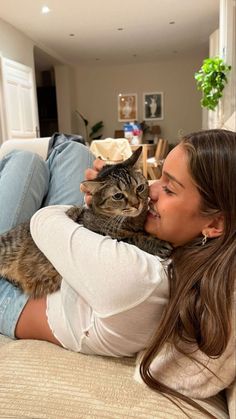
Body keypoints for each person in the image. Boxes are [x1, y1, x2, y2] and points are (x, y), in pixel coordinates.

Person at [0, 130, 235, 405]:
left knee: (24, 160)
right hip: (67, 251)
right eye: (157, 177)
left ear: (215, 224)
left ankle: (58, 146)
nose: (150, 193)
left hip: (17, 297)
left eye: (169, 188)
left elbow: (43, 222)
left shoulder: (139, 279)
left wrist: (96, 200)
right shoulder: (191, 251)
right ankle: (62, 145)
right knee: (75, 152)